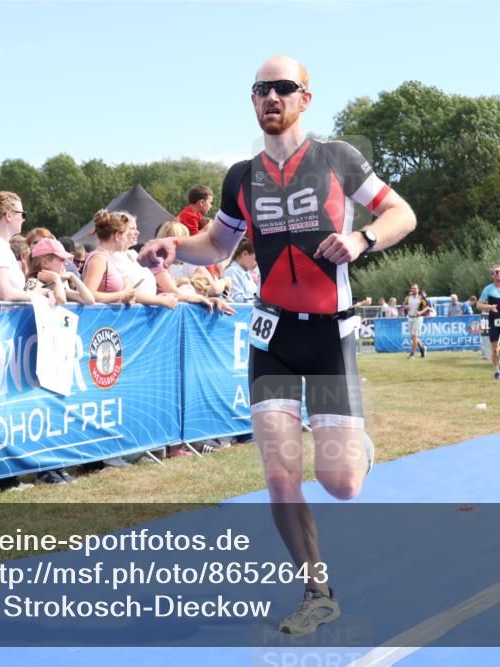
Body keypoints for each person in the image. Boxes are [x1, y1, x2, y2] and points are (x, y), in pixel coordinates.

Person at [136, 55, 416, 635]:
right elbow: (216, 244)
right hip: (273, 334)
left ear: (305, 98)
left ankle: (356, 442)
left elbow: (401, 212)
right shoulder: (241, 176)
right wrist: (174, 248)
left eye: (283, 88)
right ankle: (317, 590)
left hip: (330, 332)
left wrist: (362, 238)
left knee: (341, 484)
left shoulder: (339, 157)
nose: (271, 97)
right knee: (281, 474)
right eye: (261, 88)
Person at [0, 192, 51, 307]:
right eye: (22, 214)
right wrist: (36, 294)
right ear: (8, 216)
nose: (23, 219)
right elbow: (5, 293)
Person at [26, 237, 96, 305]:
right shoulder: (33, 282)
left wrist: (72, 276)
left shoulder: (57, 284)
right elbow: (61, 300)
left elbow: (90, 300)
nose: (66, 263)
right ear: (45, 263)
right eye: (62, 260)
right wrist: (56, 279)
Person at [223, 239, 259, 303]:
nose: (257, 263)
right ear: (245, 254)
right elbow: (236, 299)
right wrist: (259, 303)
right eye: (255, 259)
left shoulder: (246, 272)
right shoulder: (232, 271)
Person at [404, 283, 433, 359]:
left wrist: (420, 312)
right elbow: (404, 305)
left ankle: (412, 354)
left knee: (414, 336)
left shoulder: (421, 298)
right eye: (412, 288)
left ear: (418, 289)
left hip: (418, 318)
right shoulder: (408, 298)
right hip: (410, 317)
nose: (413, 289)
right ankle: (423, 348)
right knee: (413, 337)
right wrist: (406, 306)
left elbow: (427, 307)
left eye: (415, 288)